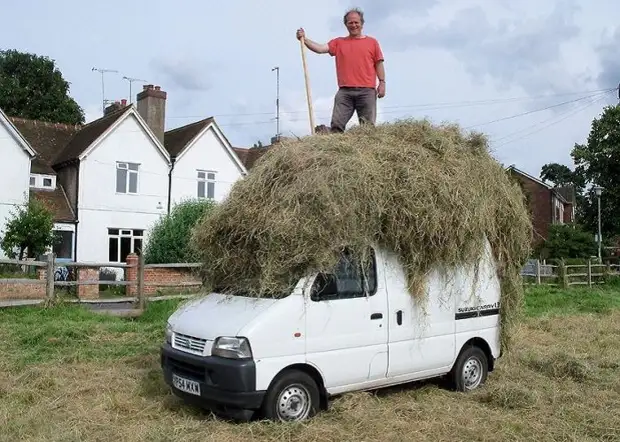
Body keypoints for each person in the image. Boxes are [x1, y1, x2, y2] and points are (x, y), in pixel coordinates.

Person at [296, 8, 385, 133]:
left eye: (356, 22)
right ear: (346, 25)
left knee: (367, 128)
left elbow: (379, 63)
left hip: (367, 91)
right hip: (345, 92)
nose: (353, 25)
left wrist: (382, 82)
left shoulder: (372, 43)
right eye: (350, 23)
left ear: (362, 23)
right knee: (337, 125)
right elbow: (320, 48)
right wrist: (304, 39)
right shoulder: (339, 42)